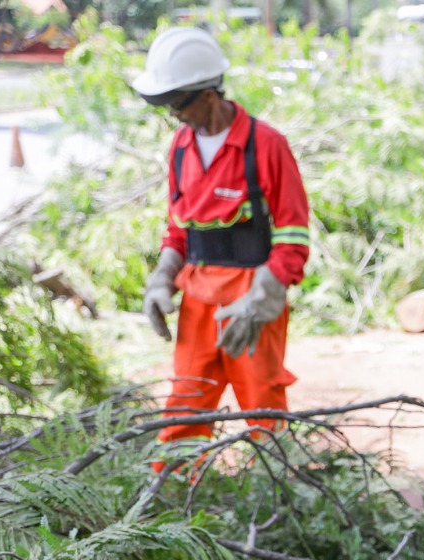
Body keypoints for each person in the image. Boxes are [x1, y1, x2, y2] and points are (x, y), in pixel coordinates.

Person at [133, 27, 309, 450]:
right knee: (184, 411)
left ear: (208, 95)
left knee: (263, 413)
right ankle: (174, 495)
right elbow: (178, 231)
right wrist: (161, 280)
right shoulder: (180, 148)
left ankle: (270, 498)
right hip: (197, 304)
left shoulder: (266, 146)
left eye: (177, 104)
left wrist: (261, 301)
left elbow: (293, 240)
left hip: (252, 300)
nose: (174, 114)